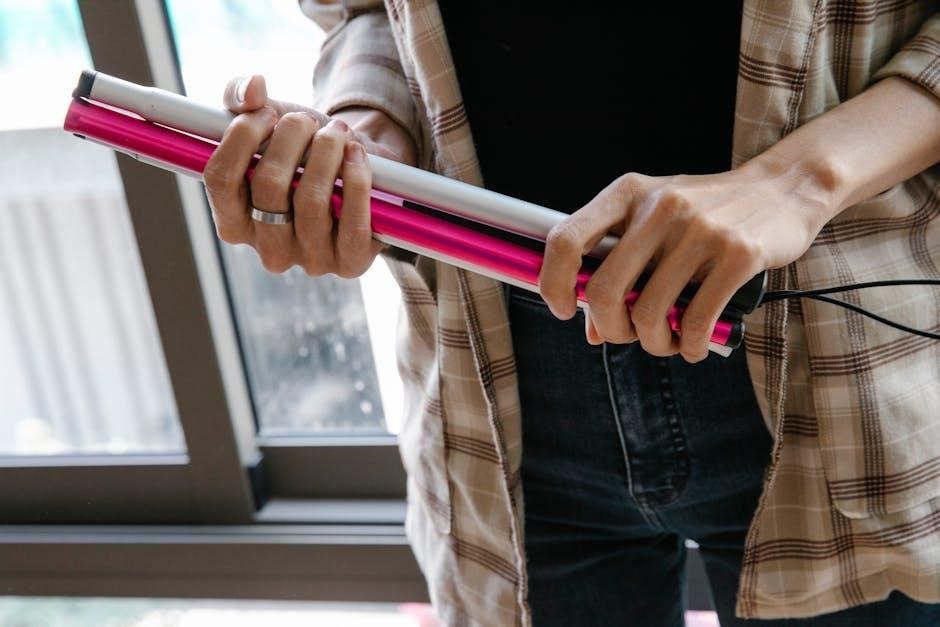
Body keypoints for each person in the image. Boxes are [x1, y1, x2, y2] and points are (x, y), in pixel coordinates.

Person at [202, 1, 940, 625]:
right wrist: (367, 130)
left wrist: (798, 181)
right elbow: (364, 11)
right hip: (498, 389)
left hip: (837, 361)